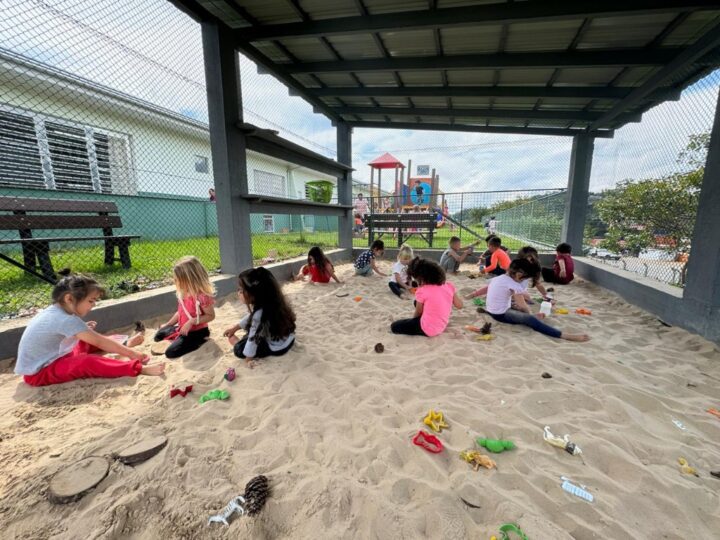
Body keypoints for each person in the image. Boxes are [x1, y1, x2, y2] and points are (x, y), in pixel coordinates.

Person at [15, 271, 164, 387]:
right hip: (40, 372)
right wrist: (132, 354)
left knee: (85, 340)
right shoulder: (65, 319)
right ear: (69, 299)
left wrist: (83, 330)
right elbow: (100, 342)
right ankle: (137, 368)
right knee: (86, 362)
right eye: (91, 301)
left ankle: (124, 345)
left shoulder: (55, 311)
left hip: (57, 356)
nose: (93, 305)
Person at [485, 259, 589, 342]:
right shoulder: (514, 284)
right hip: (500, 314)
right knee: (530, 319)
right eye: (523, 279)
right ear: (518, 275)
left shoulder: (499, 278)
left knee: (517, 308)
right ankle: (564, 335)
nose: (522, 282)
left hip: (491, 309)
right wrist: (529, 315)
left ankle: (528, 316)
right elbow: (523, 306)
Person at [223, 267, 296, 368]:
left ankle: (236, 342)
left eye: (241, 290)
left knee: (240, 349)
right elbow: (251, 317)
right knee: (252, 331)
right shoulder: (273, 302)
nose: (238, 293)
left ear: (253, 294)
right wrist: (235, 328)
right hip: (288, 340)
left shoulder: (259, 315)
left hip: (277, 348)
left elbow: (253, 339)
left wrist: (248, 359)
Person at [154, 256, 216, 358]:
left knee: (171, 353)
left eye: (177, 279)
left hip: (197, 332)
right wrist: (168, 324)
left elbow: (210, 316)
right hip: (182, 328)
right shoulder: (183, 292)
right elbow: (180, 312)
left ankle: (200, 341)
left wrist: (191, 321)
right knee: (158, 335)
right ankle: (178, 337)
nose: (174, 281)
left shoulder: (202, 296)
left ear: (189, 279)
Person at [390, 258, 463, 336]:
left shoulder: (422, 290)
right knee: (417, 302)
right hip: (442, 326)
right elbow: (459, 305)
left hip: (427, 329)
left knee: (394, 326)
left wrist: (413, 321)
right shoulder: (449, 285)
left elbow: (418, 312)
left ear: (422, 278)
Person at [468, 245, 551, 301]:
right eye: (526, 259)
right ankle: (474, 294)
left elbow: (538, 284)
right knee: (493, 285)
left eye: (532, 259)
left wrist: (545, 295)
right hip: (509, 289)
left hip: (518, 291)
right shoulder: (515, 267)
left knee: (527, 297)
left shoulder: (534, 268)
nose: (529, 262)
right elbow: (503, 281)